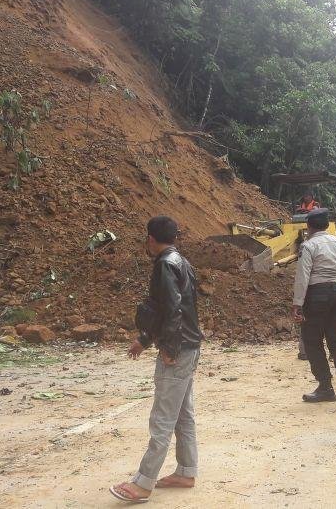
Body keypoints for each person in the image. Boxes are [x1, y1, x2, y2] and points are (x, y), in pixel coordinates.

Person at [110, 216, 203, 504]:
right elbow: (172, 309)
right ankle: (186, 472)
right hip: (189, 346)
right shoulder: (182, 262)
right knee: (182, 414)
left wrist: (169, 348)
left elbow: (172, 310)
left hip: (178, 349)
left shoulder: (165, 264)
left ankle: (143, 483)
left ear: (151, 238)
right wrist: (145, 339)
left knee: (162, 418)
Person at [292, 208, 336, 407]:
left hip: (316, 296)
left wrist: (297, 303)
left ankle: (325, 387)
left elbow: (303, 276)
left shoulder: (308, 246)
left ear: (309, 226)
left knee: (313, 342)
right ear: (327, 225)